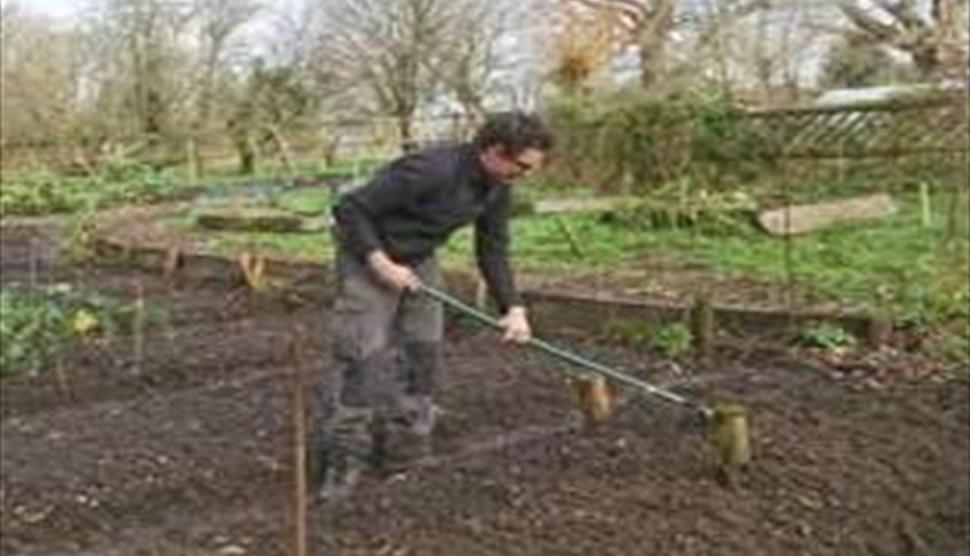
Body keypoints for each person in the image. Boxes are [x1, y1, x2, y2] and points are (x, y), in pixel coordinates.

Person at [316, 111, 555, 501]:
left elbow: (492, 247)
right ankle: (344, 459)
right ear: (495, 151)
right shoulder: (429, 170)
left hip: (418, 260)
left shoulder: (497, 185)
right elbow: (350, 209)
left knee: (423, 350)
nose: (525, 174)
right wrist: (379, 262)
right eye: (522, 166)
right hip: (367, 256)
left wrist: (513, 307)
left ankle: (405, 448)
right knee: (362, 355)